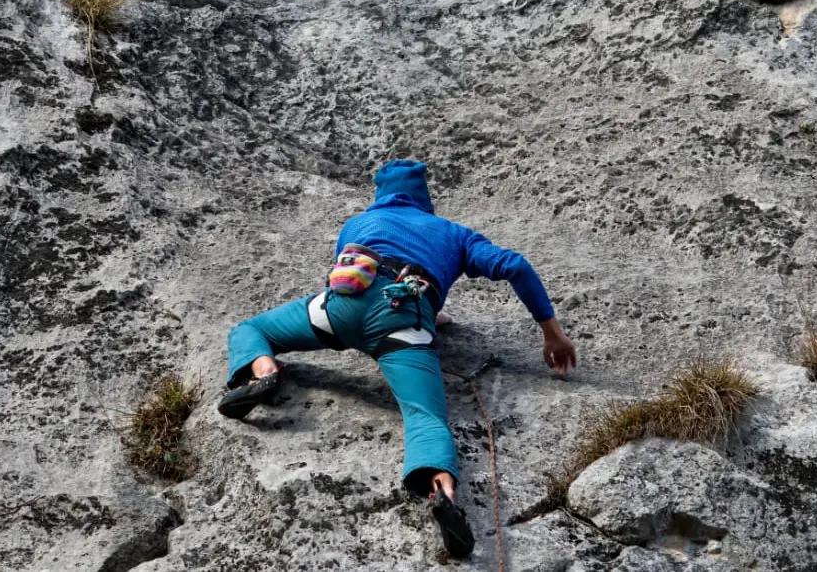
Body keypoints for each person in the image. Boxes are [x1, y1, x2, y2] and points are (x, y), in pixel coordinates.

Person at [219, 159, 577, 558]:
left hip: (339, 310)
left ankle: (264, 372)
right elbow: (515, 266)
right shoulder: (453, 233)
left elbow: (350, 276)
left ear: (380, 195)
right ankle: (441, 492)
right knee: (424, 417)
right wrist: (552, 333)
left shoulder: (357, 224)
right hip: (404, 321)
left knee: (251, 330)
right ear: (424, 197)